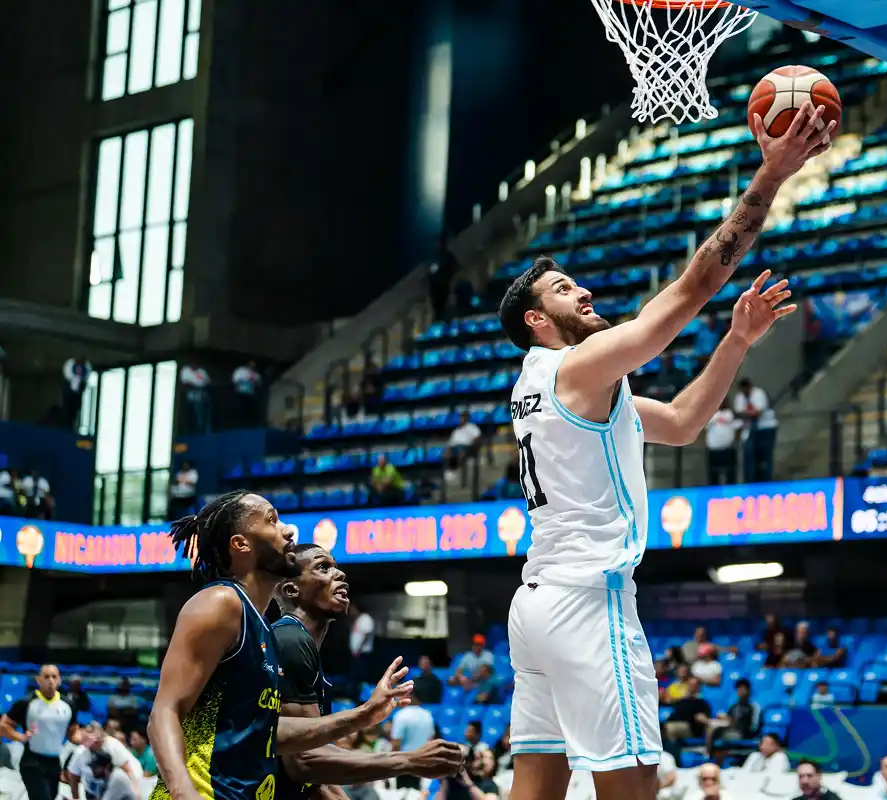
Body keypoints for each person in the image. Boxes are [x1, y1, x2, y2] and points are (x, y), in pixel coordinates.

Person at [498, 101, 830, 800]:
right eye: (564, 290)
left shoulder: (545, 386)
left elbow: (679, 422)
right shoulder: (573, 368)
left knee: (534, 787)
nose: (583, 291)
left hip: (534, 608)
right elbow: (689, 292)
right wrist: (770, 177)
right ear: (537, 321)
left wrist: (736, 343)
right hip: (589, 599)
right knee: (635, 788)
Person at [146, 491, 414, 800]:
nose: (288, 530)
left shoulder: (263, 629)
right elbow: (165, 712)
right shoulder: (220, 602)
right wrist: (182, 792)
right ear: (241, 544)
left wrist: (364, 714)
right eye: (272, 520)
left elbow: (271, 731)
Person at [273, 543, 466, 800]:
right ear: (292, 589)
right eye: (323, 567)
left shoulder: (300, 643)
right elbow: (305, 762)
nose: (339, 574)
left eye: (336, 567)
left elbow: (317, 774)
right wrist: (408, 760)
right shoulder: (290, 639)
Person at [0, 663, 76, 800]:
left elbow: (73, 733)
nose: (51, 680)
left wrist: (86, 739)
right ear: (38, 679)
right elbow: (3, 726)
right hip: (32, 762)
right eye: (46, 677)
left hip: (54, 764)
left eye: (54, 677)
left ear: (59, 680)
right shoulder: (26, 703)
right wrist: (21, 737)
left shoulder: (68, 705)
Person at [66, 721, 142, 799]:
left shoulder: (112, 746)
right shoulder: (81, 750)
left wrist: (137, 794)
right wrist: (75, 797)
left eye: (95, 741)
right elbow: (73, 774)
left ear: (100, 739)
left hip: (122, 785)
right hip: (93, 790)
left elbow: (129, 770)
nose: (89, 743)